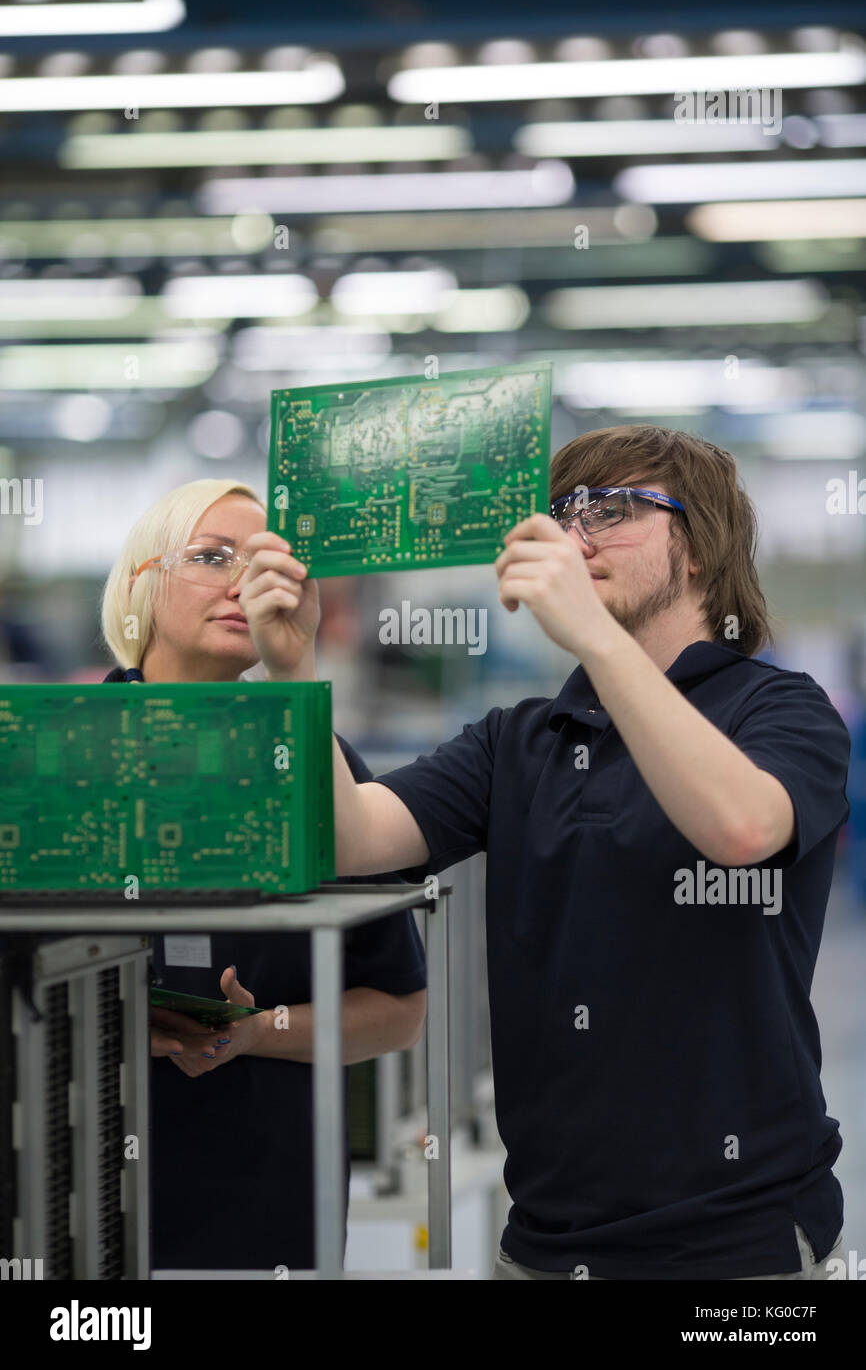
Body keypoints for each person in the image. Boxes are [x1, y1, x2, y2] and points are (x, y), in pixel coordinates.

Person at [247, 423, 852, 1281]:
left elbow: (742, 830)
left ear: (698, 549)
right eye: (564, 511)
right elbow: (352, 838)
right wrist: (292, 668)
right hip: (549, 1242)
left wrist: (598, 641)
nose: (577, 533)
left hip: (736, 1242)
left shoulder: (780, 710)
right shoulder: (521, 740)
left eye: (614, 510)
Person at [100, 478, 427, 1271]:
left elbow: (398, 1011)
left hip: (271, 1211)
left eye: (266, 561)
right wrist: (108, 1028)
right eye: (212, 557)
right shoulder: (57, 763)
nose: (247, 582)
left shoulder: (320, 771)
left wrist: (257, 1032)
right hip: (85, 1199)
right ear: (138, 584)